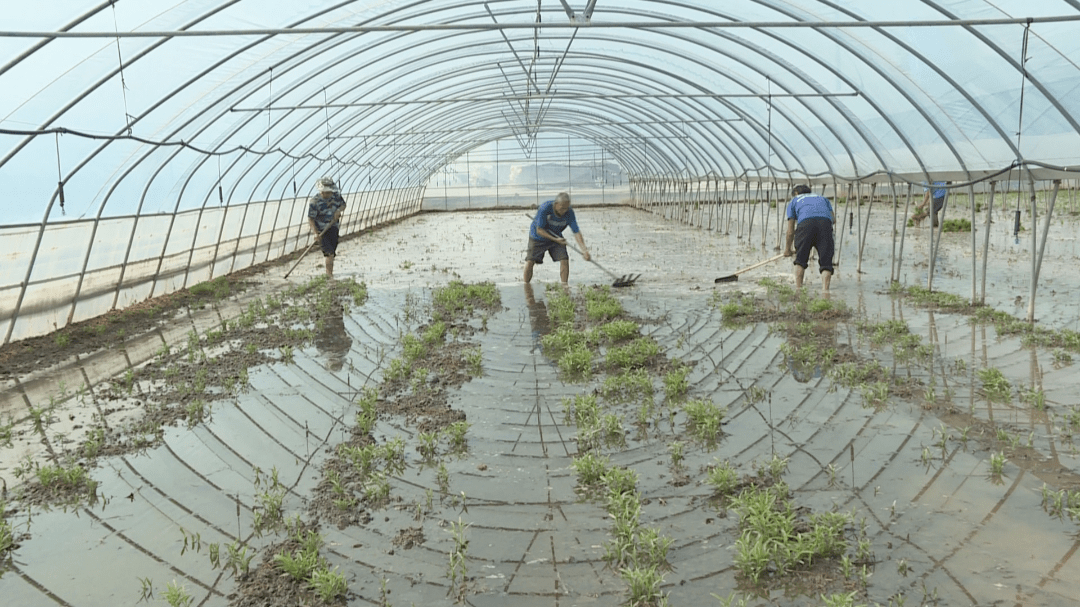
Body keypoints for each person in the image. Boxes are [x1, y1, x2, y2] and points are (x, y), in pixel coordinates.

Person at [524, 192, 591, 284]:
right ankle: (526, 285)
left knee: (564, 259)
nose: (564, 211)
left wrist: (584, 250)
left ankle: (564, 286)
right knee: (530, 261)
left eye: (566, 208)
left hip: (556, 235)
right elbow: (539, 230)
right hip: (538, 237)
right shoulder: (545, 208)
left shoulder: (569, 213)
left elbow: (576, 232)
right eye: (562, 208)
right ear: (556, 204)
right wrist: (555, 239)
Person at [783, 184, 835, 293]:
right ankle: (825, 292)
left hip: (805, 225)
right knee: (826, 263)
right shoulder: (822, 198)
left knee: (800, 261)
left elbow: (790, 231)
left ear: (796, 194)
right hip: (825, 225)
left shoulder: (794, 201)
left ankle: (798, 290)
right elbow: (833, 219)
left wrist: (787, 249)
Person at [307, 176, 347, 277]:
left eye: (330, 192)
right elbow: (311, 219)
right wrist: (316, 233)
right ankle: (329, 276)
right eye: (327, 192)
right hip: (321, 231)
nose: (329, 194)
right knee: (329, 253)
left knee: (332, 252)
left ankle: (330, 274)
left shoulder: (336, 196)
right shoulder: (314, 202)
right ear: (322, 192)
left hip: (333, 227)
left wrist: (338, 211)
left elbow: (343, 205)